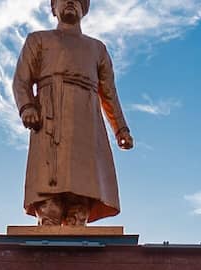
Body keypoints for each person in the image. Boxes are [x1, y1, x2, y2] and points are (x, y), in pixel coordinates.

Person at [13, 0, 135, 226]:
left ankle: (77, 228)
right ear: (53, 8)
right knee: (49, 203)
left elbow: (109, 93)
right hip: (50, 120)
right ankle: (47, 224)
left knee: (80, 204)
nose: (70, 2)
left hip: (86, 124)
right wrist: (27, 106)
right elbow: (21, 80)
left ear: (84, 9)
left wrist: (121, 128)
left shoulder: (97, 48)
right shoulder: (37, 39)